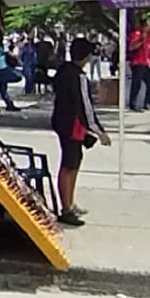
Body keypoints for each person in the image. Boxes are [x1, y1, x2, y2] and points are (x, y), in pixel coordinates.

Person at [51, 37, 109, 226]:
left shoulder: (63, 71)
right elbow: (85, 106)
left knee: (72, 162)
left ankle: (69, 203)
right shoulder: (78, 77)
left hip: (62, 122)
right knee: (70, 165)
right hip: (72, 125)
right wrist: (99, 131)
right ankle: (66, 208)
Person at [127, 21, 150, 112]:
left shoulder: (148, 36)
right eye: (148, 26)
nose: (149, 28)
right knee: (136, 84)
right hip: (137, 62)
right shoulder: (136, 34)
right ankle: (133, 104)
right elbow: (131, 47)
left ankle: (148, 103)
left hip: (144, 62)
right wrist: (141, 40)